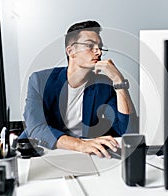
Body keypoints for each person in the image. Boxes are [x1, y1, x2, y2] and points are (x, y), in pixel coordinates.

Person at [21, 20, 138, 158]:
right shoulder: (40, 81)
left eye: (100, 47)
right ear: (71, 51)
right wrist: (80, 144)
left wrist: (119, 82)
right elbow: (36, 128)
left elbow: (129, 132)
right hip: (45, 151)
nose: (98, 51)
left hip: (85, 155)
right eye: (90, 45)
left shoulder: (103, 86)